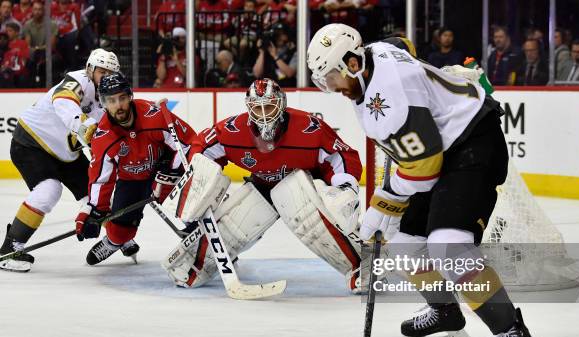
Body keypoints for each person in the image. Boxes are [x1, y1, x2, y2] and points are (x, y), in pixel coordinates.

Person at [307, 24, 542, 337]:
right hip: (439, 146)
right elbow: (402, 43)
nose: (333, 87)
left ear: (354, 63)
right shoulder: (371, 53)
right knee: (401, 243)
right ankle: (446, 311)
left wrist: (384, 201)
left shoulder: (389, 98)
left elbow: (425, 170)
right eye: (324, 80)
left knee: (449, 245)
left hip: (472, 142)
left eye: (334, 77)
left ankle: (513, 334)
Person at [162, 78, 365, 293]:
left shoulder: (308, 127)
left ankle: (364, 266)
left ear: (281, 104)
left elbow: (341, 154)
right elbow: (202, 146)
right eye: (257, 109)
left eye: (268, 106)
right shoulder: (234, 129)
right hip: (263, 185)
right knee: (232, 227)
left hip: (304, 184)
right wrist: (199, 177)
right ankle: (196, 266)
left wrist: (345, 187)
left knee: (313, 220)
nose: (264, 114)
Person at [0, 49, 120, 272]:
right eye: (103, 72)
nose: (107, 77)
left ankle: (118, 236)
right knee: (49, 190)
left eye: (111, 73)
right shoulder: (78, 79)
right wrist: (81, 125)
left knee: (96, 193)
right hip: (31, 142)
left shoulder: (108, 98)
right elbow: (63, 101)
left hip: (67, 153)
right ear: (91, 70)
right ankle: (9, 248)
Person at [75, 73, 203, 266]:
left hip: (163, 171)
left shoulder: (155, 115)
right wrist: (93, 211)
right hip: (130, 180)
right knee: (119, 232)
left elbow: (188, 144)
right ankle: (113, 242)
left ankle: (204, 237)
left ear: (130, 96)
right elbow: (101, 178)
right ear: (103, 104)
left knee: (190, 210)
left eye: (122, 98)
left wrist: (173, 170)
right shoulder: (103, 137)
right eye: (111, 101)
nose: (118, 105)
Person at [0, 21, 29, 87]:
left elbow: (24, 60)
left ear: (17, 32)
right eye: (6, 31)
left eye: (10, 31)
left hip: (17, 71)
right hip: (4, 70)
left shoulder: (22, 43)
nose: (7, 33)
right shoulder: (4, 44)